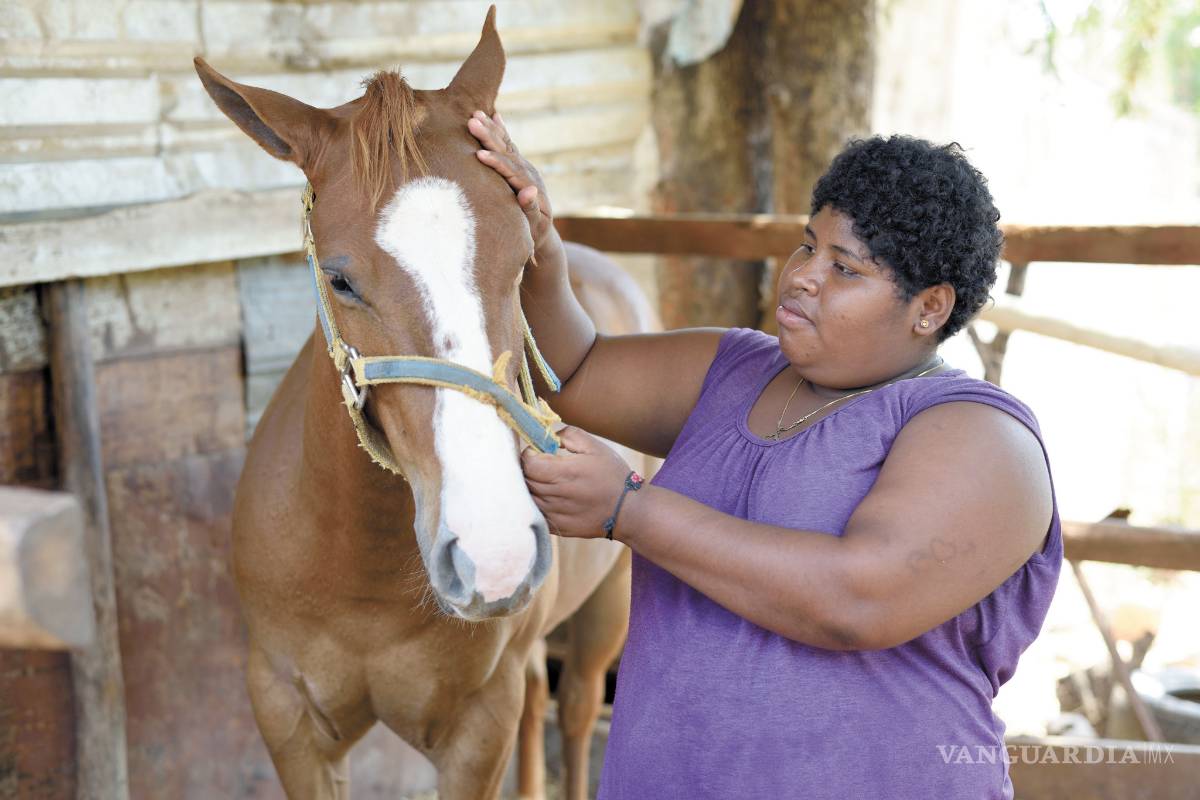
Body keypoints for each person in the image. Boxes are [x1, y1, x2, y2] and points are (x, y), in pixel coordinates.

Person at [468, 111, 1061, 799]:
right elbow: (570, 370)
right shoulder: (736, 369)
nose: (804, 277)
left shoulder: (981, 436)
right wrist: (539, 246)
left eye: (845, 269)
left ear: (929, 308)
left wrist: (628, 509)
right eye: (808, 247)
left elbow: (855, 599)